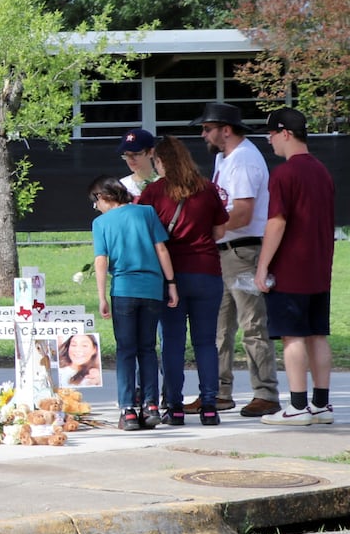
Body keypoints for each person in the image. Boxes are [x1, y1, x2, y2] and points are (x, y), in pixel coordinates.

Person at [189, 102, 279, 417]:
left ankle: (266, 393)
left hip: (243, 250)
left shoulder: (243, 160)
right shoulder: (224, 159)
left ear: (225, 130)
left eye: (207, 128)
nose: (203, 134)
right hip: (225, 251)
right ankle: (218, 392)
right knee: (218, 327)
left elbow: (242, 213)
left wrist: (205, 229)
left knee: (252, 324)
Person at [138, 135, 229, 426]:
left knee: (173, 344)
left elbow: (146, 233)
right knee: (206, 343)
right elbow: (219, 233)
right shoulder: (208, 189)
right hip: (207, 271)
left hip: (171, 276)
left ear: (161, 161)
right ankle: (210, 406)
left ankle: (174, 407)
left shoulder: (154, 192)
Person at [256, 109, 337, 427]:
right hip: (319, 265)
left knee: (293, 336)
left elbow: (277, 221)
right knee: (317, 334)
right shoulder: (322, 171)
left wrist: (263, 266)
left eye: (271, 135)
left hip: (291, 266)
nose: (270, 141)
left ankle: (298, 406)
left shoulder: (285, 174)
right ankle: (321, 404)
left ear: (284, 133)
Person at [91, 175, 179, 431]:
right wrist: (171, 283)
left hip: (124, 289)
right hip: (152, 289)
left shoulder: (101, 222)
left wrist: (101, 297)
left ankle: (128, 409)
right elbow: (162, 249)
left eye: (94, 202)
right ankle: (151, 405)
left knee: (126, 351)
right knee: (148, 348)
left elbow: (101, 260)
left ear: (103, 197)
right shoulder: (146, 212)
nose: (96, 207)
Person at [116, 128, 159, 199]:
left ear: (151, 152)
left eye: (135, 154)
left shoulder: (163, 184)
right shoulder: (122, 185)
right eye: (126, 155)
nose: (130, 159)